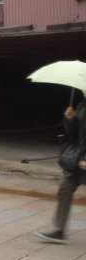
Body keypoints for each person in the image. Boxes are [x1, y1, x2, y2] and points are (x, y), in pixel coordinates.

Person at [35, 100, 86, 243]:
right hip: (77, 158)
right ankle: (59, 230)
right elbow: (74, 132)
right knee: (65, 189)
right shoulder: (82, 105)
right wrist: (70, 119)